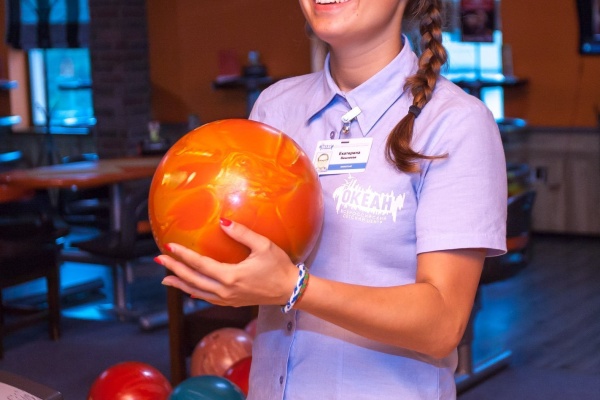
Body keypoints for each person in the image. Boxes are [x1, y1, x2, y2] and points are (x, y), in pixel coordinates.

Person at [156, 0, 507, 398]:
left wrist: (295, 288)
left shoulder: (456, 122)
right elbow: (249, 253)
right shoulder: (276, 107)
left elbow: (442, 324)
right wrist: (219, 266)